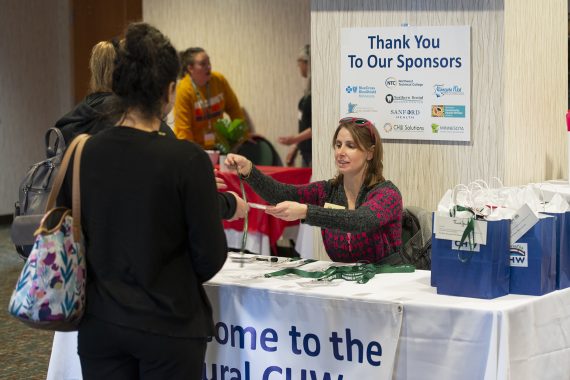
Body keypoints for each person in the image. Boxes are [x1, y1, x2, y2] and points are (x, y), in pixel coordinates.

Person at [61, 23, 228, 379]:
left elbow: (69, 234)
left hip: (100, 324)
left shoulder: (80, 153)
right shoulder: (188, 160)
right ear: (170, 91)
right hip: (170, 325)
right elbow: (210, 258)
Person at [54, 40, 246, 221]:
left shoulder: (70, 123)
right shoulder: (140, 123)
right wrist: (198, 184)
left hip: (77, 240)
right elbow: (163, 195)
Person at [226, 117, 403, 263]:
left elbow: (359, 220)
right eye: (338, 144)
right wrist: (249, 170)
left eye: (350, 146)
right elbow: (281, 194)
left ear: (370, 153)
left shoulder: (387, 194)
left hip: (386, 286)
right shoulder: (327, 190)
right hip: (345, 286)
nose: (341, 152)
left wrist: (306, 212)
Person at [174, 47, 246, 149]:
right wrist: (191, 154)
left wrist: (244, 135)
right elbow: (183, 130)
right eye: (203, 64)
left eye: (209, 62)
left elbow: (234, 109)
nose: (208, 67)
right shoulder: (183, 90)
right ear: (190, 68)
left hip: (220, 146)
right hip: (195, 148)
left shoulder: (219, 80)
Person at [278, 44, 312, 167]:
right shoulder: (308, 92)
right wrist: (295, 145)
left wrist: (293, 139)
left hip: (314, 155)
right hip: (305, 154)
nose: (298, 66)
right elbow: (305, 124)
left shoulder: (316, 93)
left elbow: (315, 128)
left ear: (307, 62)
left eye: (300, 62)